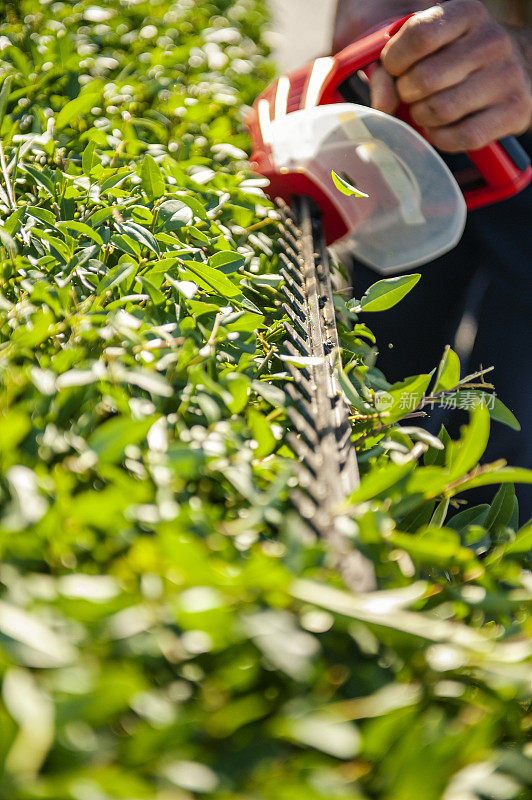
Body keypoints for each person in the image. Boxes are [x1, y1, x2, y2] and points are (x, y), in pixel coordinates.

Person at [333, 0, 532, 520]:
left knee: (512, 405)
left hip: (495, 84)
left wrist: (525, 59)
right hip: (421, 121)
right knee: (390, 355)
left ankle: (480, 557)